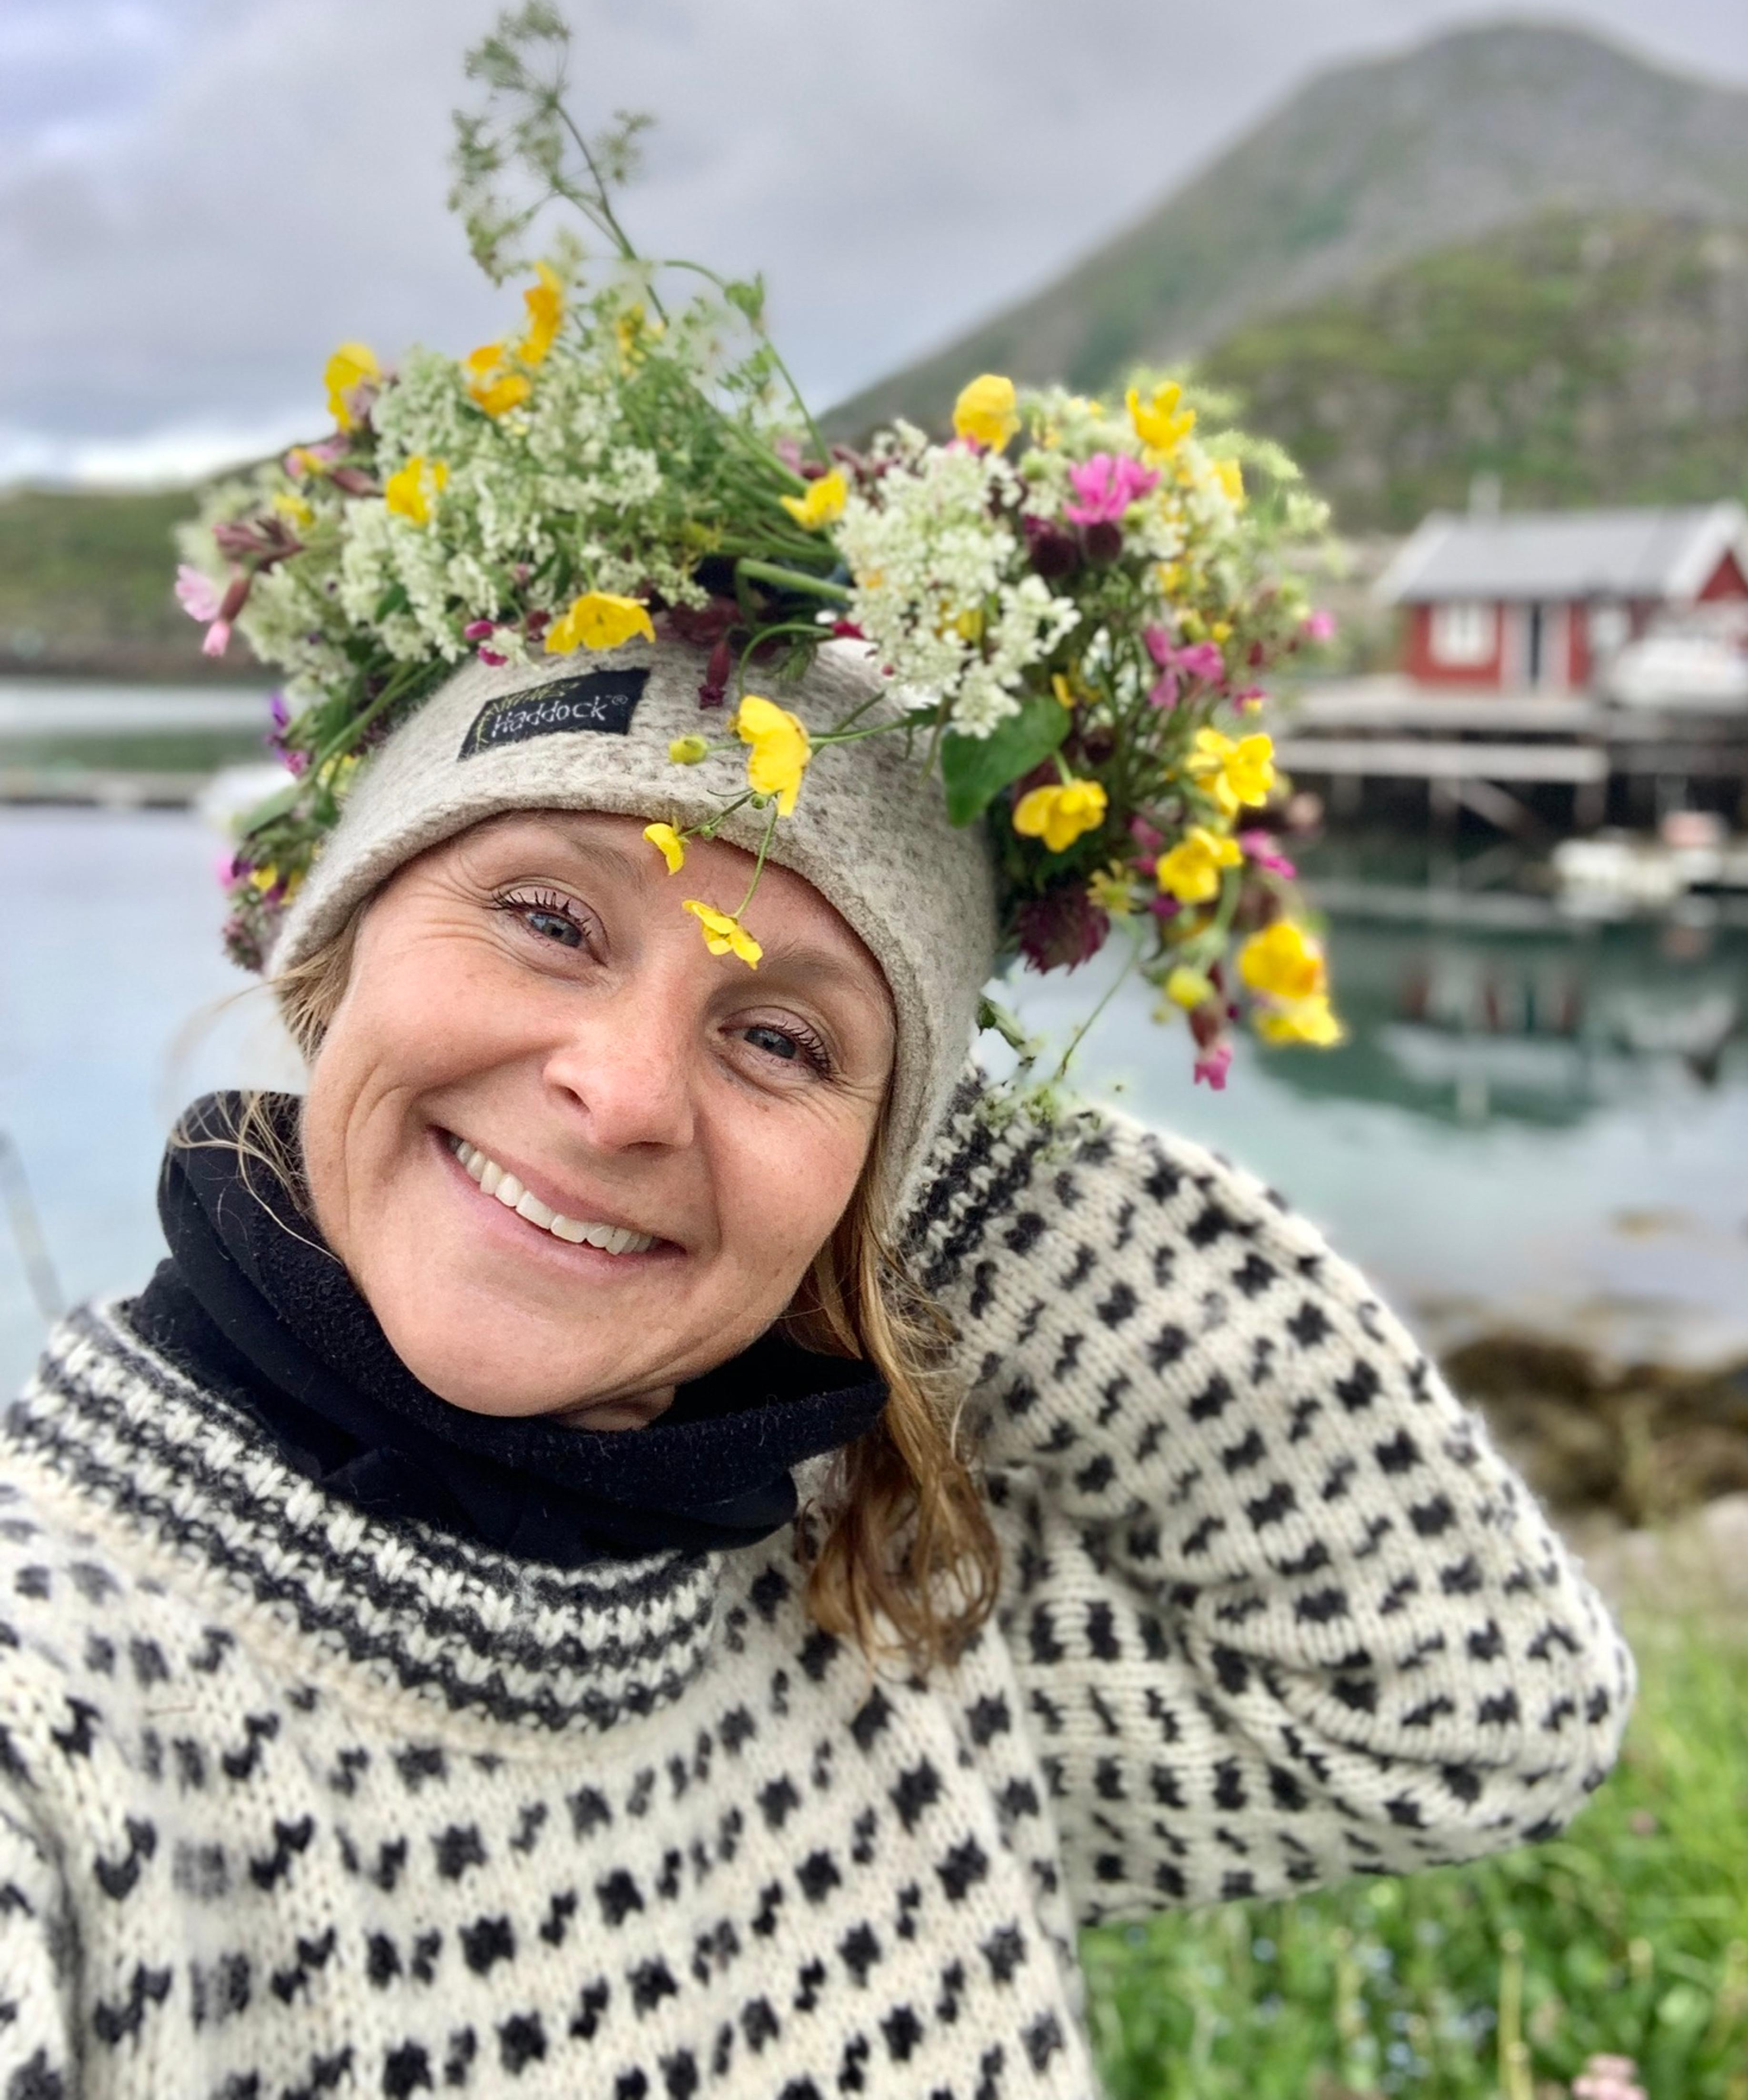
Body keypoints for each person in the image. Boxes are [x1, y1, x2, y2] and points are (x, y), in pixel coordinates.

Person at [0, 636, 1630, 2100]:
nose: (626, 1097)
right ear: (333, 950)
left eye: (784, 1040)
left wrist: (922, 1182)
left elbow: (1475, 1718)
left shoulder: (896, 1615)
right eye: (550, 920)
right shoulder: (55, 1709)